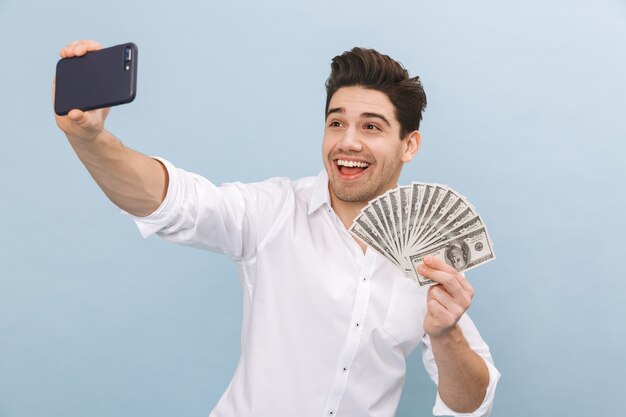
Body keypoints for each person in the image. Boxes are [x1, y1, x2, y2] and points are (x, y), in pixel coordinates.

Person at [54, 40, 500, 417]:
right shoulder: (272, 213)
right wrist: (90, 139)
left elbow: (471, 400)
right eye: (336, 123)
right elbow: (174, 201)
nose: (348, 141)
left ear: (409, 144)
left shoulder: (428, 257)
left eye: (371, 127)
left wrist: (446, 334)